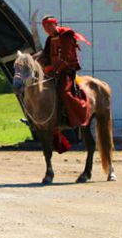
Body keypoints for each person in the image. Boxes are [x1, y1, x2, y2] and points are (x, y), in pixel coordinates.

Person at [36, 14, 92, 151]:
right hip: (53, 71)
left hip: (66, 71)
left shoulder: (66, 36)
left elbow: (67, 58)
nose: (48, 29)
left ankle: (76, 117)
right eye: (45, 27)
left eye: (49, 25)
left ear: (55, 24)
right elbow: (46, 54)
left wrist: (54, 69)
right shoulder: (50, 39)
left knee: (63, 91)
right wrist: (34, 61)